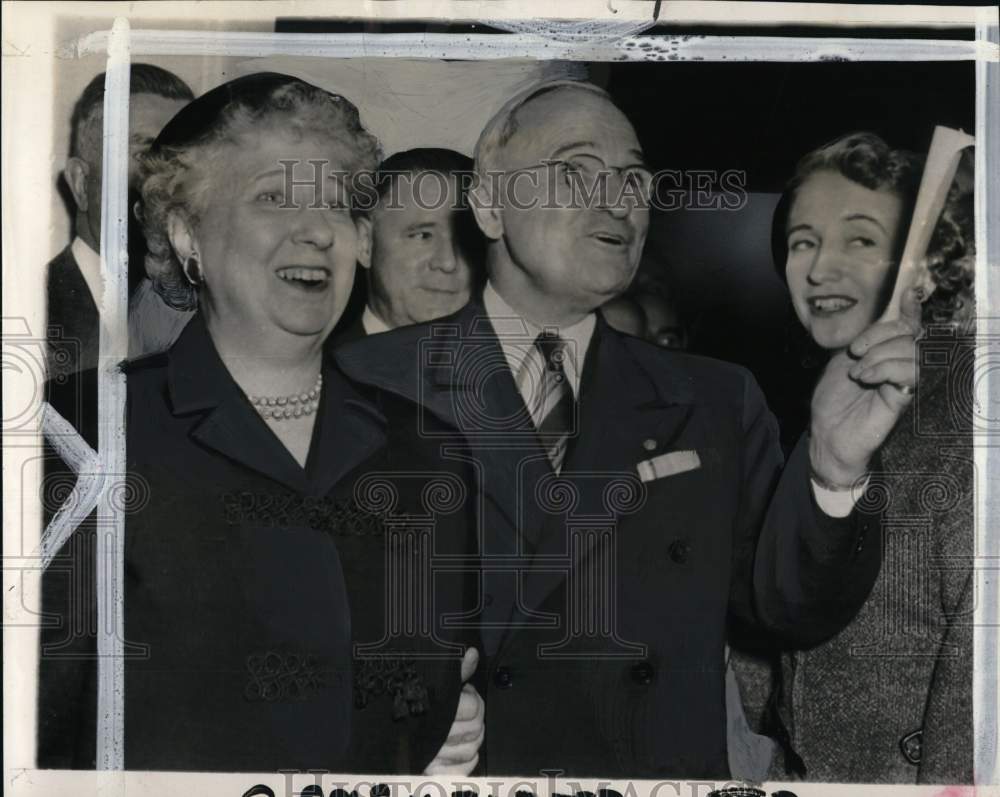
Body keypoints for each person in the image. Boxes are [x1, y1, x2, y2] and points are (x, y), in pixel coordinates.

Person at [334, 81, 919, 777]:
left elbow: (786, 610)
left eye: (633, 179)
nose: (617, 201)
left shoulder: (713, 396)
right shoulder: (361, 384)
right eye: (575, 172)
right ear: (489, 205)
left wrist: (832, 469)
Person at [37, 73, 481, 774]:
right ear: (188, 233)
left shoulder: (428, 453)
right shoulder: (78, 432)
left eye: (336, 205)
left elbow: (434, 687)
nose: (313, 230)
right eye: (273, 197)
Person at [731, 132, 975, 784]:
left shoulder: (970, 421)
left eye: (860, 239)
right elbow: (767, 666)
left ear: (922, 261)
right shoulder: (817, 405)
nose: (817, 268)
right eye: (803, 241)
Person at [47, 64, 193, 378]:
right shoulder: (22, 310)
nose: (168, 182)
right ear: (81, 183)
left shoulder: (213, 318)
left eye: (181, 159)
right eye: (145, 155)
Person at [332, 147, 481, 344]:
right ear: (365, 243)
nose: (448, 262)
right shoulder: (315, 369)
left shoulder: (513, 367)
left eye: (464, 239)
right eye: (423, 235)